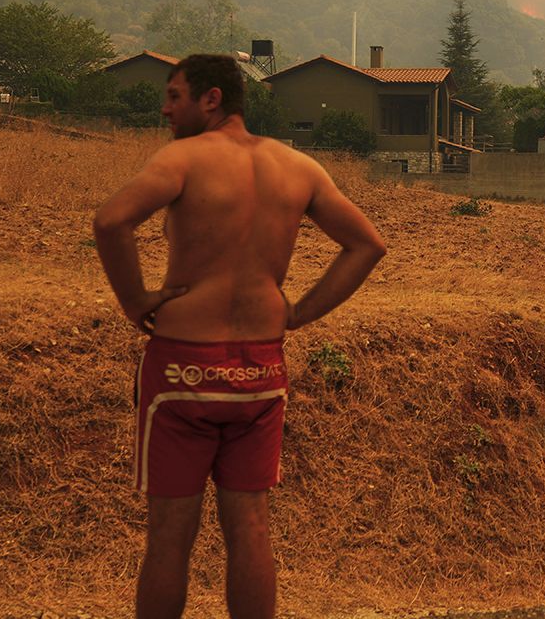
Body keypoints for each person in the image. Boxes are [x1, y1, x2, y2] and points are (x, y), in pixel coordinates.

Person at [94, 54, 388, 619]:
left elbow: (111, 221)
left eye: (174, 96)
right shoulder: (297, 167)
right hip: (259, 372)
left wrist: (134, 302)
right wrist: (299, 312)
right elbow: (367, 245)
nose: (164, 108)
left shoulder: (182, 159)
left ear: (211, 99)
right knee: (251, 527)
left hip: (183, 370)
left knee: (169, 537)